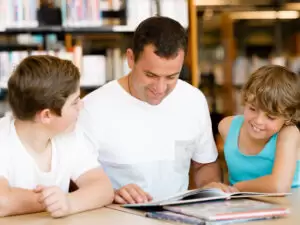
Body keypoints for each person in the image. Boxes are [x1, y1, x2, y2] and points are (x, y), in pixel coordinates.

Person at [76, 16, 224, 204]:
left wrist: (210, 186)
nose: (160, 88)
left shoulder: (193, 100)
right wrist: (111, 194)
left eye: (171, 77)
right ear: (130, 59)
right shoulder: (92, 108)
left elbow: (204, 164)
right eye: (150, 75)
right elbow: (71, 182)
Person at [0, 55, 114, 217]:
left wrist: (69, 203)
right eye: (74, 102)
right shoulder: (3, 139)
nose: (81, 106)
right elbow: (2, 202)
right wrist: (51, 201)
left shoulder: (70, 135)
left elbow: (102, 188)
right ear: (47, 115)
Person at [219, 65, 300, 193]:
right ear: (245, 99)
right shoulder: (227, 127)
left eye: (271, 117)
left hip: (287, 208)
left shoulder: (289, 134)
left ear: (288, 117)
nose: (258, 121)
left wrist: (236, 188)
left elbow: (279, 186)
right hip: (241, 207)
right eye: (252, 109)